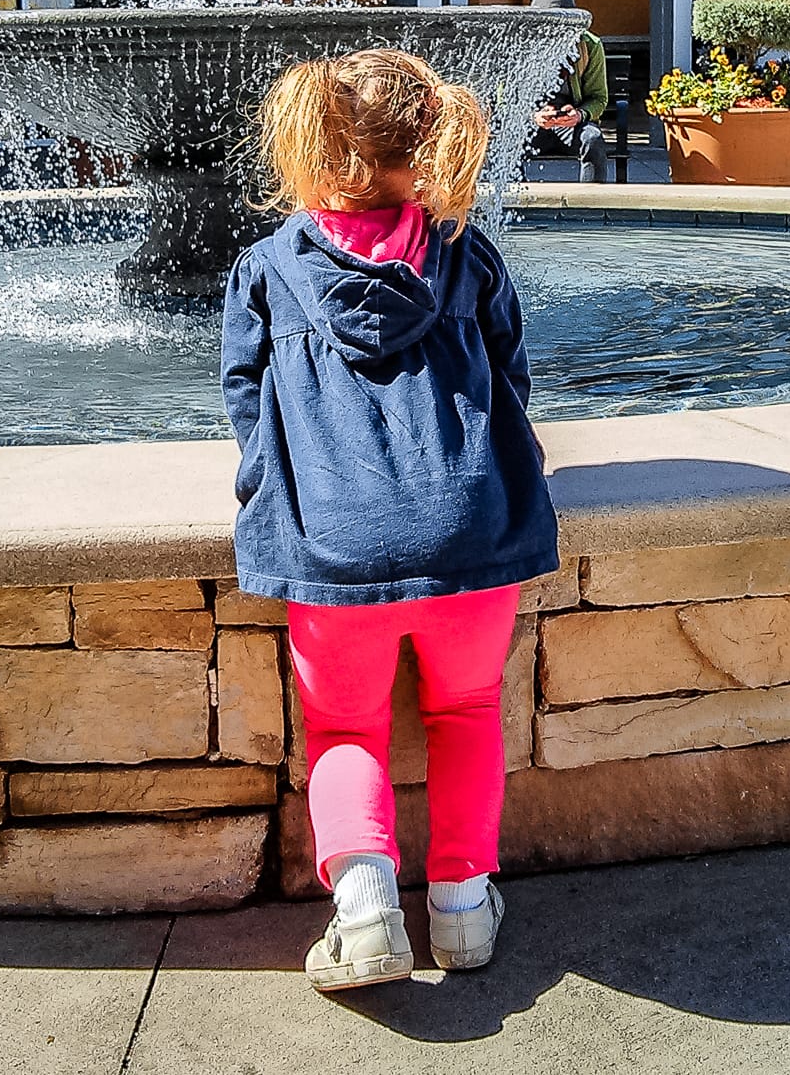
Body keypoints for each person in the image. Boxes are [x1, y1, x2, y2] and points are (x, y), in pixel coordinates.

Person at [221, 49, 560, 990]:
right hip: (471, 536)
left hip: (332, 545)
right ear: (431, 142)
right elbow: (513, 386)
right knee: (465, 711)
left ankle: (366, 912)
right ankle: (459, 908)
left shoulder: (268, 268)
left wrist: (275, 489)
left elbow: (246, 402)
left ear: (313, 143)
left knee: (344, 729)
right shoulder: (467, 255)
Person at [525, 0, 609, 182]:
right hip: (532, 123)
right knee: (507, 141)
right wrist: (533, 115)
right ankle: (511, 204)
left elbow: (598, 98)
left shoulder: (590, 45)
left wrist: (579, 115)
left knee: (593, 139)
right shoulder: (521, 45)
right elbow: (506, 101)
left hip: (571, 124)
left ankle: (591, 204)